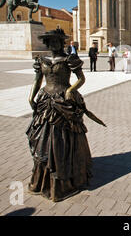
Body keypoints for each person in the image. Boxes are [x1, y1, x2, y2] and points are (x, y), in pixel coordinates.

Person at [27, 29, 106, 202]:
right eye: (50, 41)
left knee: (63, 137)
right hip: (46, 100)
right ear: (47, 43)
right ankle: (44, 177)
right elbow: (37, 80)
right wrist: (31, 97)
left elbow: (81, 78)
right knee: (41, 137)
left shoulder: (69, 59)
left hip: (63, 100)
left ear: (62, 42)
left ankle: (66, 176)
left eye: (56, 41)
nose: (53, 44)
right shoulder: (42, 60)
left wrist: (71, 90)